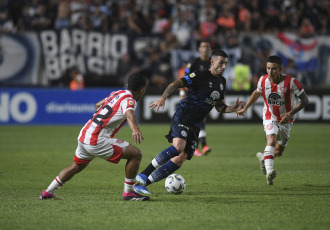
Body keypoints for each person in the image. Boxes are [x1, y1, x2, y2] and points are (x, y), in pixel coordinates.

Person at [134, 49, 244, 195]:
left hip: (196, 124)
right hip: (184, 115)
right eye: (221, 63)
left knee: (179, 160)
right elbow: (176, 83)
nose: (224, 67)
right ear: (212, 62)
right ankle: (143, 174)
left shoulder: (222, 82)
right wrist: (163, 97)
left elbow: (219, 107)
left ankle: (142, 184)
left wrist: (232, 108)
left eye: (226, 64)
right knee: (178, 147)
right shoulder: (200, 75)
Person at [40, 74, 150, 201]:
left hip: (84, 134)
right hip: (96, 139)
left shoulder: (117, 93)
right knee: (136, 154)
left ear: (127, 86)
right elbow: (129, 114)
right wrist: (135, 129)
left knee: (76, 166)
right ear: (142, 90)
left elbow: (98, 105)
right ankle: (129, 193)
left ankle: (47, 192)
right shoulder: (129, 100)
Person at [236, 55, 309, 186]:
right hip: (270, 116)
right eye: (268, 68)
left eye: (273, 69)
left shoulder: (291, 82)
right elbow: (256, 93)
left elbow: (305, 100)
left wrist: (291, 113)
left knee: (279, 151)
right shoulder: (263, 80)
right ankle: (269, 173)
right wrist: (245, 108)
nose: (270, 72)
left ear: (280, 69)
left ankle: (264, 158)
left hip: (286, 119)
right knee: (272, 140)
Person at [180, 40, 212, 156]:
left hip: (205, 96)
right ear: (199, 49)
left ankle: (197, 147)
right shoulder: (194, 63)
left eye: (207, 46)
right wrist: (182, 95)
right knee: (198, 120)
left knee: (199, 121)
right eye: (203, 46)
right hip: (193, 95)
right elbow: (184, 79)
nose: (205, 48)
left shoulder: (212, 63)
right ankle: (201, 146)